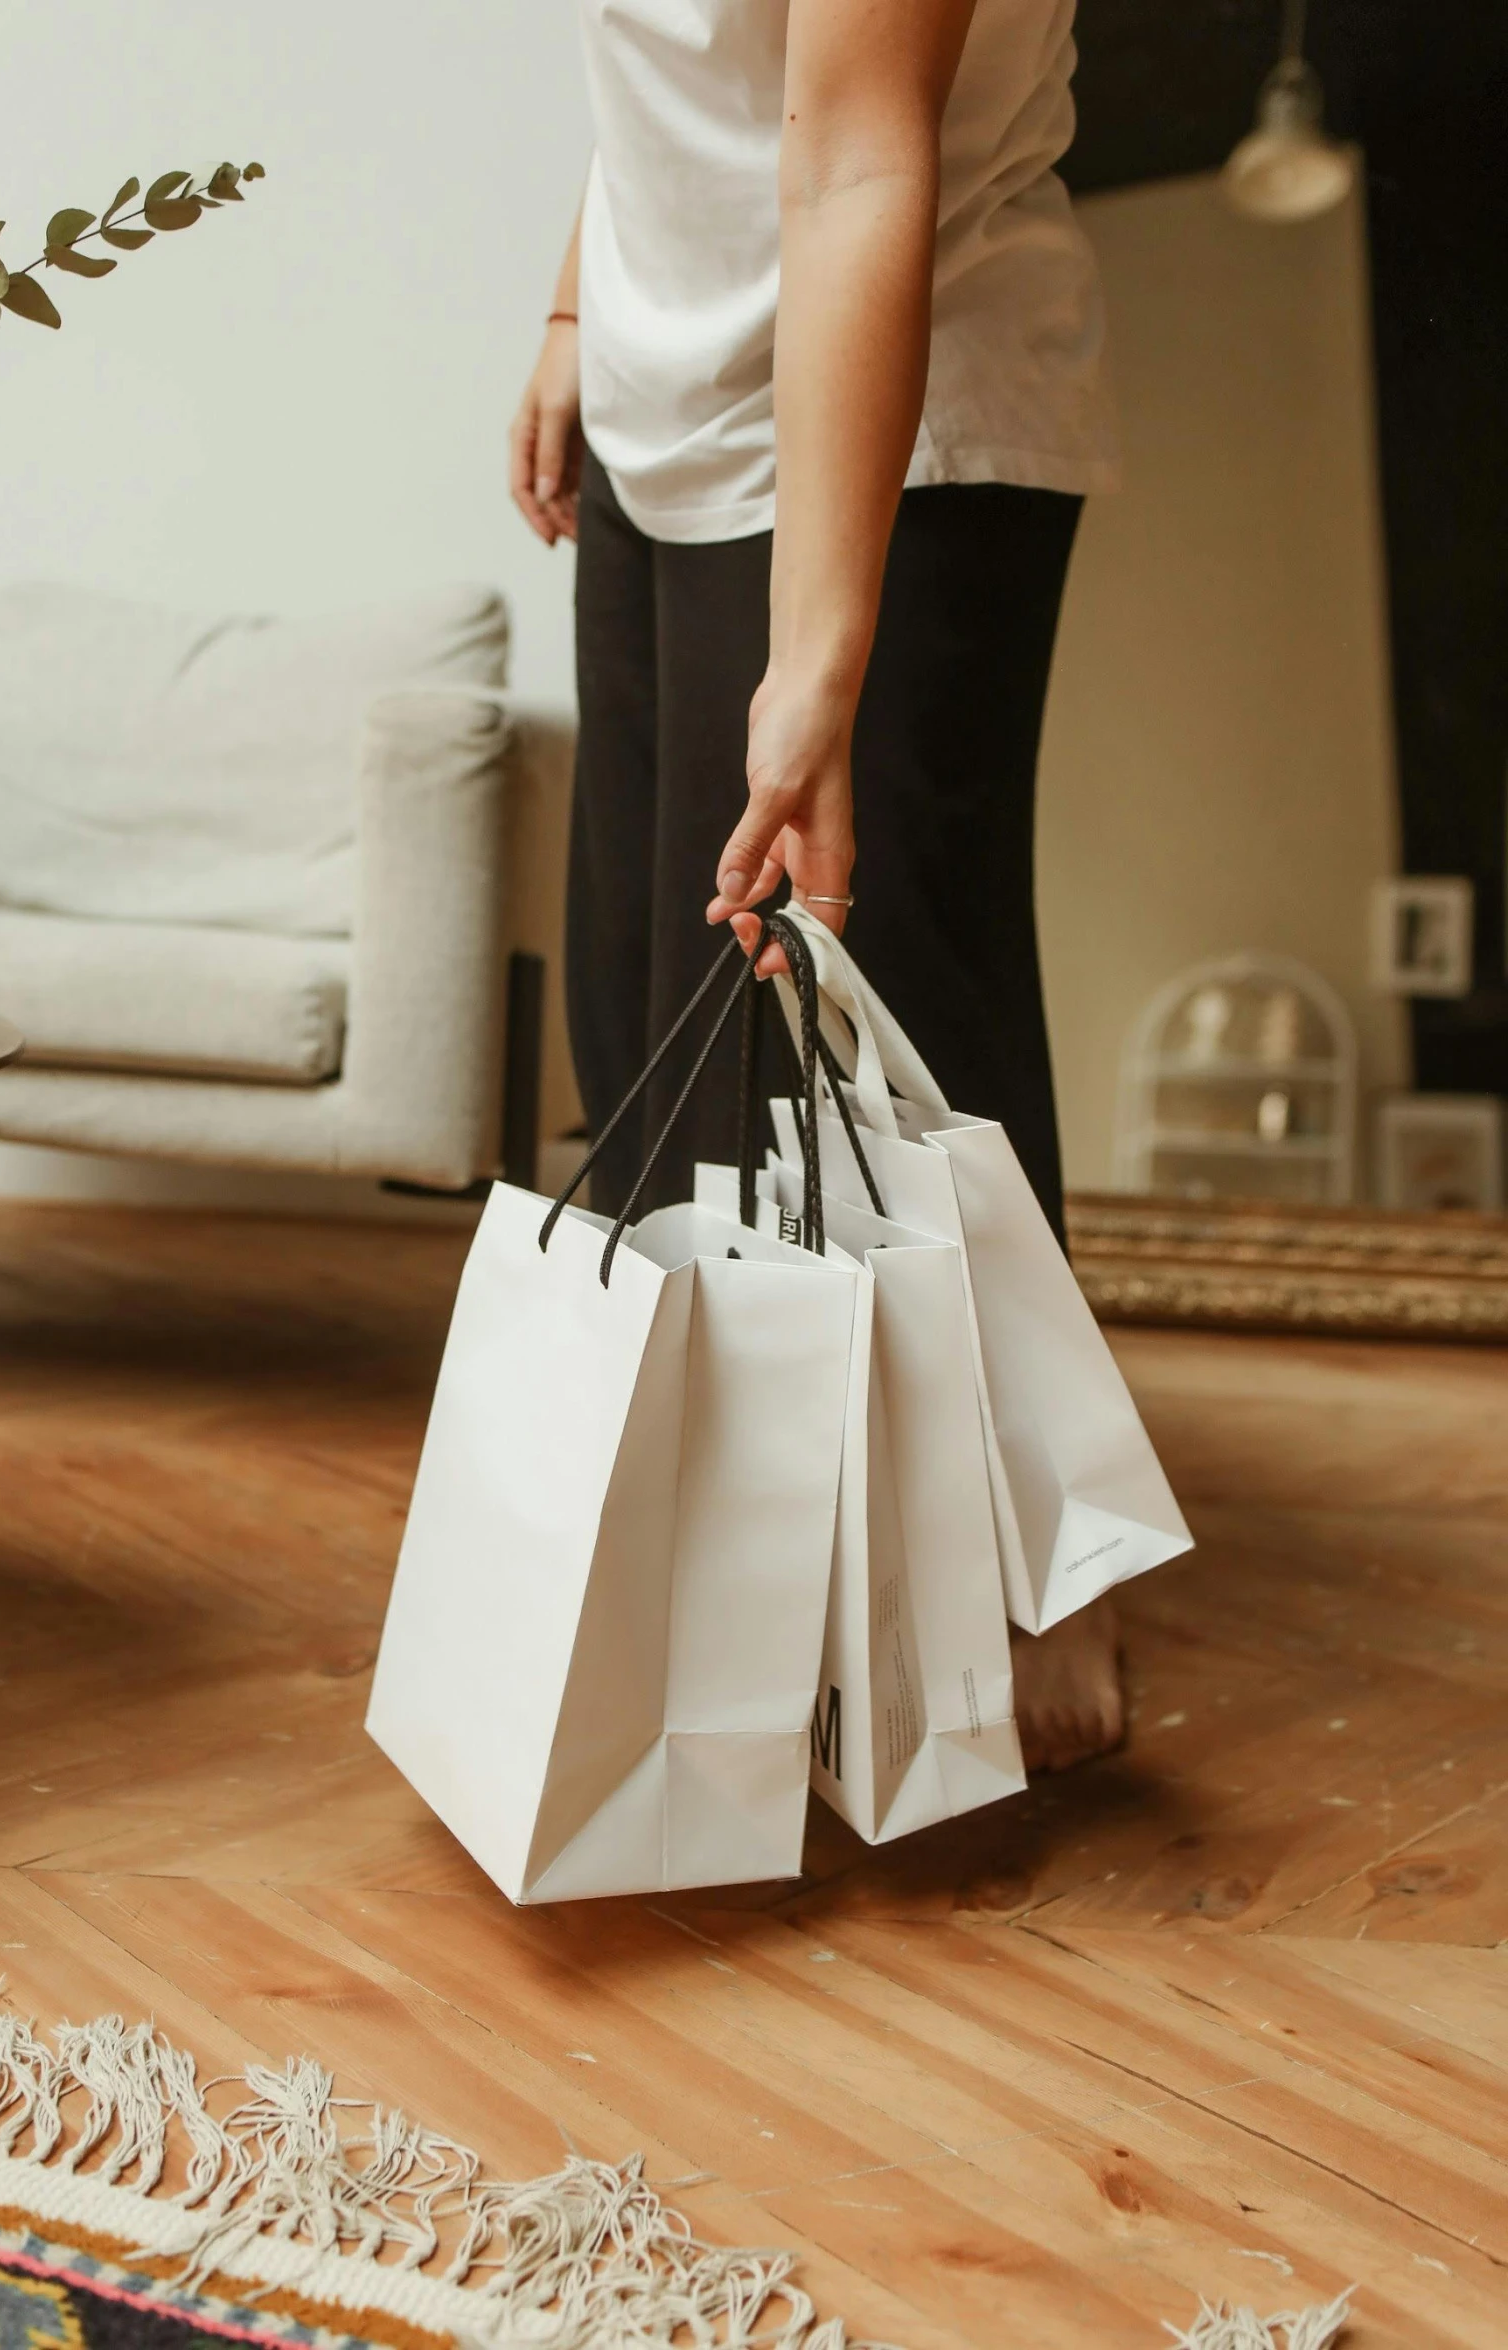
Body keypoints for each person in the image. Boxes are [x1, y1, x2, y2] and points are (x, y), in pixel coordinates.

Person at [509, 0, 1123, 1772]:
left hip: (886, 428)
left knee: (892, 1031)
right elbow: (685, 71)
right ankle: (731, 1595)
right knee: (659, 1031)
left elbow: (854, 142)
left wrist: (821, 664)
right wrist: (576, 303)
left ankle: (1021, 1577)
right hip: (660, 411)